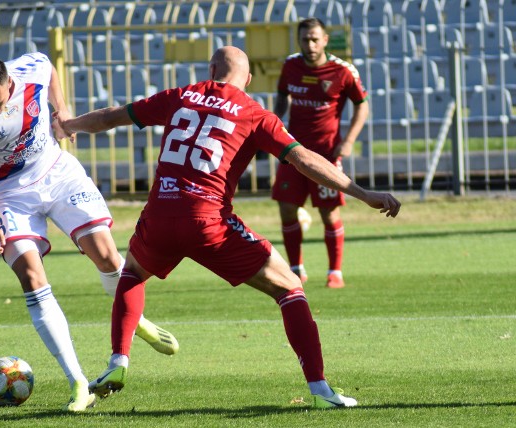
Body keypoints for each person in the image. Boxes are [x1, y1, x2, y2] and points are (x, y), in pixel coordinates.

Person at [56, 46, 400, 409]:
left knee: (132, 274)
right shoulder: (254, 113)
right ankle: (320, 391)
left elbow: (112, 117)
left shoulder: (179, 96)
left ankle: (117, 361)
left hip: (159, 215)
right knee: (289, 287)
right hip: (208, 220)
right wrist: (363, 193)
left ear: (211, 69)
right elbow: (303, 159)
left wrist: (69, 125)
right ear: (248, 80)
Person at [0, 53, 179, 412]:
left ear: (10, 83)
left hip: (57, 171)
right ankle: (78, 382)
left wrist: (61, 112)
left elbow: (49, 65)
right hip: (8, 195)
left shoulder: (30, 68)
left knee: (106, 254)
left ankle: (134, 318)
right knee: (32, 278)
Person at [271, 18, 370, 289]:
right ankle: (295, 269)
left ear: (325, 40)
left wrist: (348, 140)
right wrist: (275, 124)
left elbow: (362, 106)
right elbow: (281, 97)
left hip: (326, 154)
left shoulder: (342, 71)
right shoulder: (290, 66)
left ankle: (334, 271)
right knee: (287, 209)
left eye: (315, 39)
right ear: (299, 41)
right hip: (292, 151)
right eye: (305, 39)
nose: (310, 44)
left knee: (329, 213)